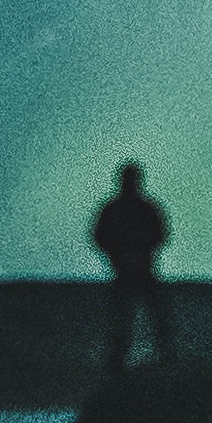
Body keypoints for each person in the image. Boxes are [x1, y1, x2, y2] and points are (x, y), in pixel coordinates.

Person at [86, 157, 178, 369]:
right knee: (126, 323)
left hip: (138, 270)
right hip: (131, 271)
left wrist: (127, 255)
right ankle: (124, 365)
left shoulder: (123, 209)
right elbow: (101, 237)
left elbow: (160, 235)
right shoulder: (130, 209)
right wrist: (122, 257)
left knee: (148, 321)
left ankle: (161, 361)